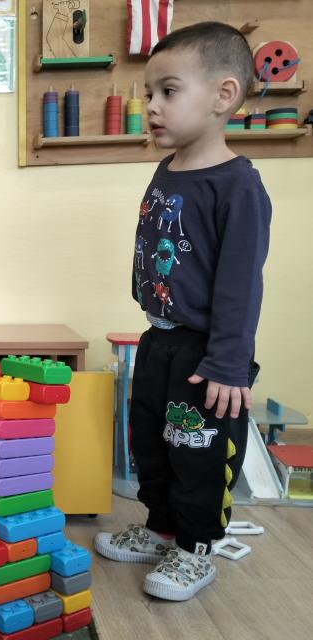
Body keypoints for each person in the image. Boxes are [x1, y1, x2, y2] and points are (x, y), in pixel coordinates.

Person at [94, 22, 271, 601]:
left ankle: (196, 549)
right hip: (159, 338)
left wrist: (228, 364)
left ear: (223, 95)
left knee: (199, 452)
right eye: (150, 93)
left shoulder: (238, 187)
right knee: (153, 443)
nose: (152, 106)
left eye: (168, 91)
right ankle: (161, 529)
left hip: (206, 353)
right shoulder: (167, 170)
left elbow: (240, 285)